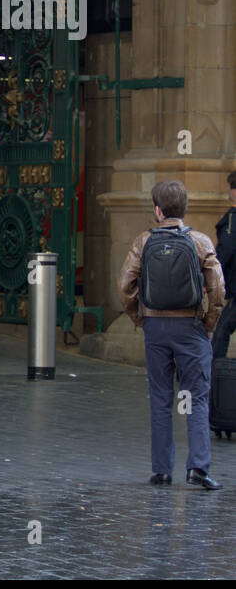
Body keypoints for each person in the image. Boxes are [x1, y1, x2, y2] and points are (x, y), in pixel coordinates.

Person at [118, 179, 226, 490]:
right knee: (196, 396)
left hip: (155, 327)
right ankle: (198, 469)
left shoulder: (143, 242)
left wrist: (140, 318)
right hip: (190, 326)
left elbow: (125, 286)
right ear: (184, 209)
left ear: (157, 210)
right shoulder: (200, 241)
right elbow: (217, 288)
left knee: (161, 398)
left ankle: (162, 470)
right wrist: (208, 323)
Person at [212, 171, 236, 359]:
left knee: (222, 332)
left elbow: (225, 252)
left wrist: (211, 280)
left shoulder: (232, 220)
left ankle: (213, 376)